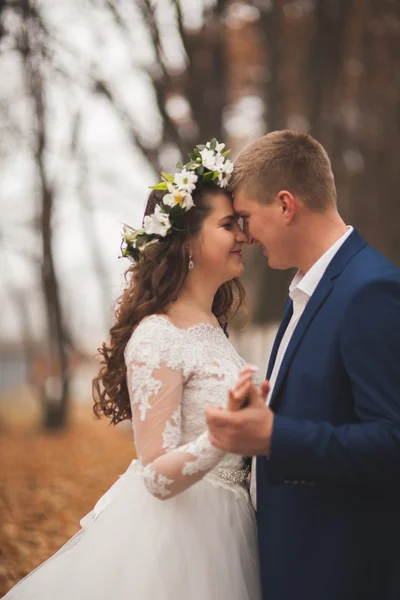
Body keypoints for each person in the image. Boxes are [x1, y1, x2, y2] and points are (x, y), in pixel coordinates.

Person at [2, 140, 262, 600]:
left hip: (231, 523)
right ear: (188, 242)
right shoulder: (157, 335)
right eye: (228, 225)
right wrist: (222, 437)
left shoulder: (212, 327)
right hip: (182, 537)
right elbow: (156, 474)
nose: (243, 235)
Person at [206, 129, 400, 600]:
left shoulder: (369, 291)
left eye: (247, 218)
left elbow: (392, 440)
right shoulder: (305, 293)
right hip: (296, 563)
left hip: (343, 573)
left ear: (286, 205)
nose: (245, 237)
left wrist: (273, 436)